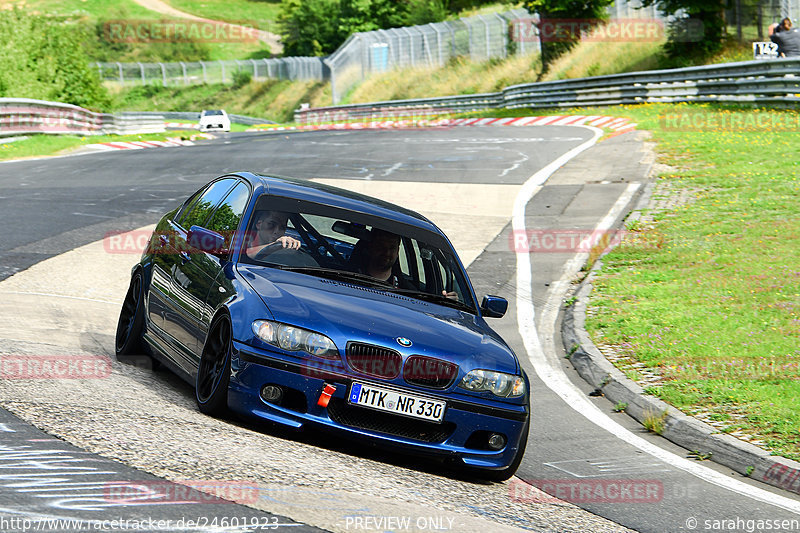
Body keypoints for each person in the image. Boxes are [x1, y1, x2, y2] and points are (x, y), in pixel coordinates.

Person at [355, 228, 457, 300]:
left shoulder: (409, 292)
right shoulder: (349, 278)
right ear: (371, 247)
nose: (386, 252)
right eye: (381, 246)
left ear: (398, 250)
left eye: (392, 248)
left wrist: (449, 303)